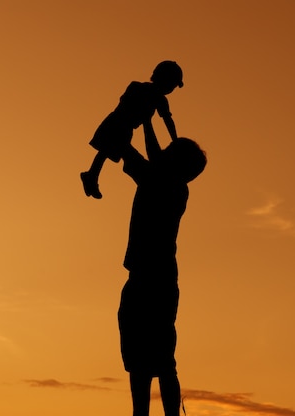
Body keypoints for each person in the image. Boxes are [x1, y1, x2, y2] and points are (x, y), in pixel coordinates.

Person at [117, 119, 206, 416]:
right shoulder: (166, 182)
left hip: (151, 278)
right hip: (157, 277)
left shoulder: (165, 183)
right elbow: (142, 156)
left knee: (156, 358)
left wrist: (144, 121)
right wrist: (145, 121)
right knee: (148, 357)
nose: (163, 152)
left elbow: (147, 156)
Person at [80, 61, 184, 199]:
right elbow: (126, 104)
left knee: (108, 152)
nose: (171, 89)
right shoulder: (138, 88)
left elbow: (167, 120)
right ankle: (91, 176)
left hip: (126, 127)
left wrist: (175, 139)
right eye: (171, 84)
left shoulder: (158, 99)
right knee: (107, 151)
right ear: (162, 78)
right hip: (118, 122)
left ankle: (91, 175)